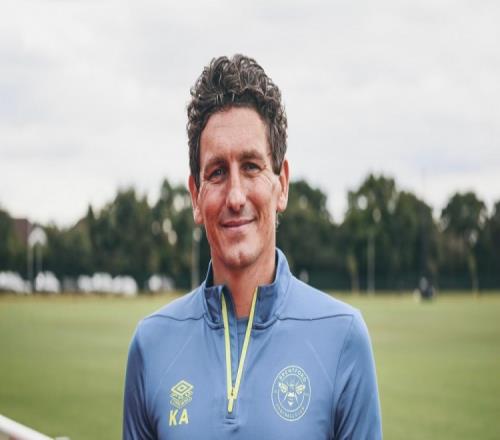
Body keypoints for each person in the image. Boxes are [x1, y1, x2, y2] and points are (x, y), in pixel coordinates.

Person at [123, 54, 382, 439]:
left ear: (282, 184)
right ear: (196, 197)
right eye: (217, 172)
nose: (235, 196)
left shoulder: (343, 337)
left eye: (251, 167)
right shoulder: (151, 345)